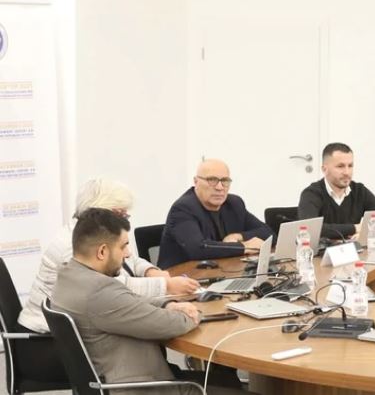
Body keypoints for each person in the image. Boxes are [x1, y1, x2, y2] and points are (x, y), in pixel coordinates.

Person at [49, 208, 204, 395]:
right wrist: (194, 313)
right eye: (123, 246)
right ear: (102, 252)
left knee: (221, 380)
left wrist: (167, 304)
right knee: (229, 387)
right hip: (143, 388)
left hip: (111, 381)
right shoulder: (100, 291)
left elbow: (130, 302)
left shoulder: (68, 276)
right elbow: (169, 325)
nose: (128, 254)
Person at [19, 179, 200, 334]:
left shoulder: (92, 233)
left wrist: (151, 272)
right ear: (101, 210)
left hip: (80, 326)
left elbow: (128, 258)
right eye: (121, 213)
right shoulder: (73, 244)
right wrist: (166, 286)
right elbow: (111, 288)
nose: (125, 218)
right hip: (49, 335)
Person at [157, 159, 271, 268]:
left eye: (225, 181)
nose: (220, 187)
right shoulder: (183, 209)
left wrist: (238, 236)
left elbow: (268, 233)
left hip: (221, 271)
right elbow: (198, 248)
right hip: (181, 276)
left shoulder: (234, 204)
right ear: (196, 181)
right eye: (212, 180)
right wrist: (244, 247)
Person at [297, 142, 375, 240]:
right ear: (324, 169)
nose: (347, 172)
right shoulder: (311, 194)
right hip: (323, 249)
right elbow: (310, 229)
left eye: (350, 166)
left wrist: (364, 233)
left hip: (354, 248)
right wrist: (355, 228)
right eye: (340, 166)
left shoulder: (359, 190)